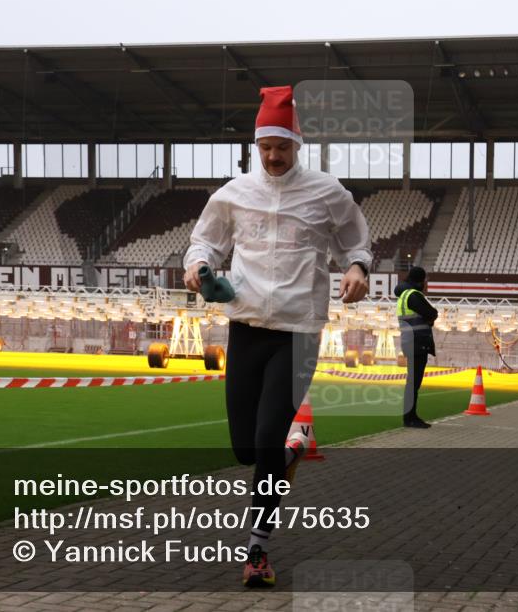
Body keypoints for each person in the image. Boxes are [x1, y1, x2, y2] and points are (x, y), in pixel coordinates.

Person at [183, 85, 372, 587]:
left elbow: (356, 239)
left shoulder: (327, 193)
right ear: (256, 145)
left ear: (296, 144)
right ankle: (294, 449)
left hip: (297, 332)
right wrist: (198, 265)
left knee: (265, 441)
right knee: (246, 449)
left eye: (281, 147)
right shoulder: (234, 194)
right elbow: (205, 240)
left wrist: (356, 266)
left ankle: (257, 551)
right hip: (245, 328)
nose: (273, 156)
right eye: (265, 146)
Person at [394, 266, 438, 428]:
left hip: (411, 342)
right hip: (417, 342)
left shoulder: (404, 295)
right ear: (420, 280)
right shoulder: (413, 295)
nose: (426, 283)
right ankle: (410, 418)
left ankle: (410, 416)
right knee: (413, 383)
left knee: (412, 382)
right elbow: (432, 313)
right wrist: (430, 318)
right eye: (425, 279)